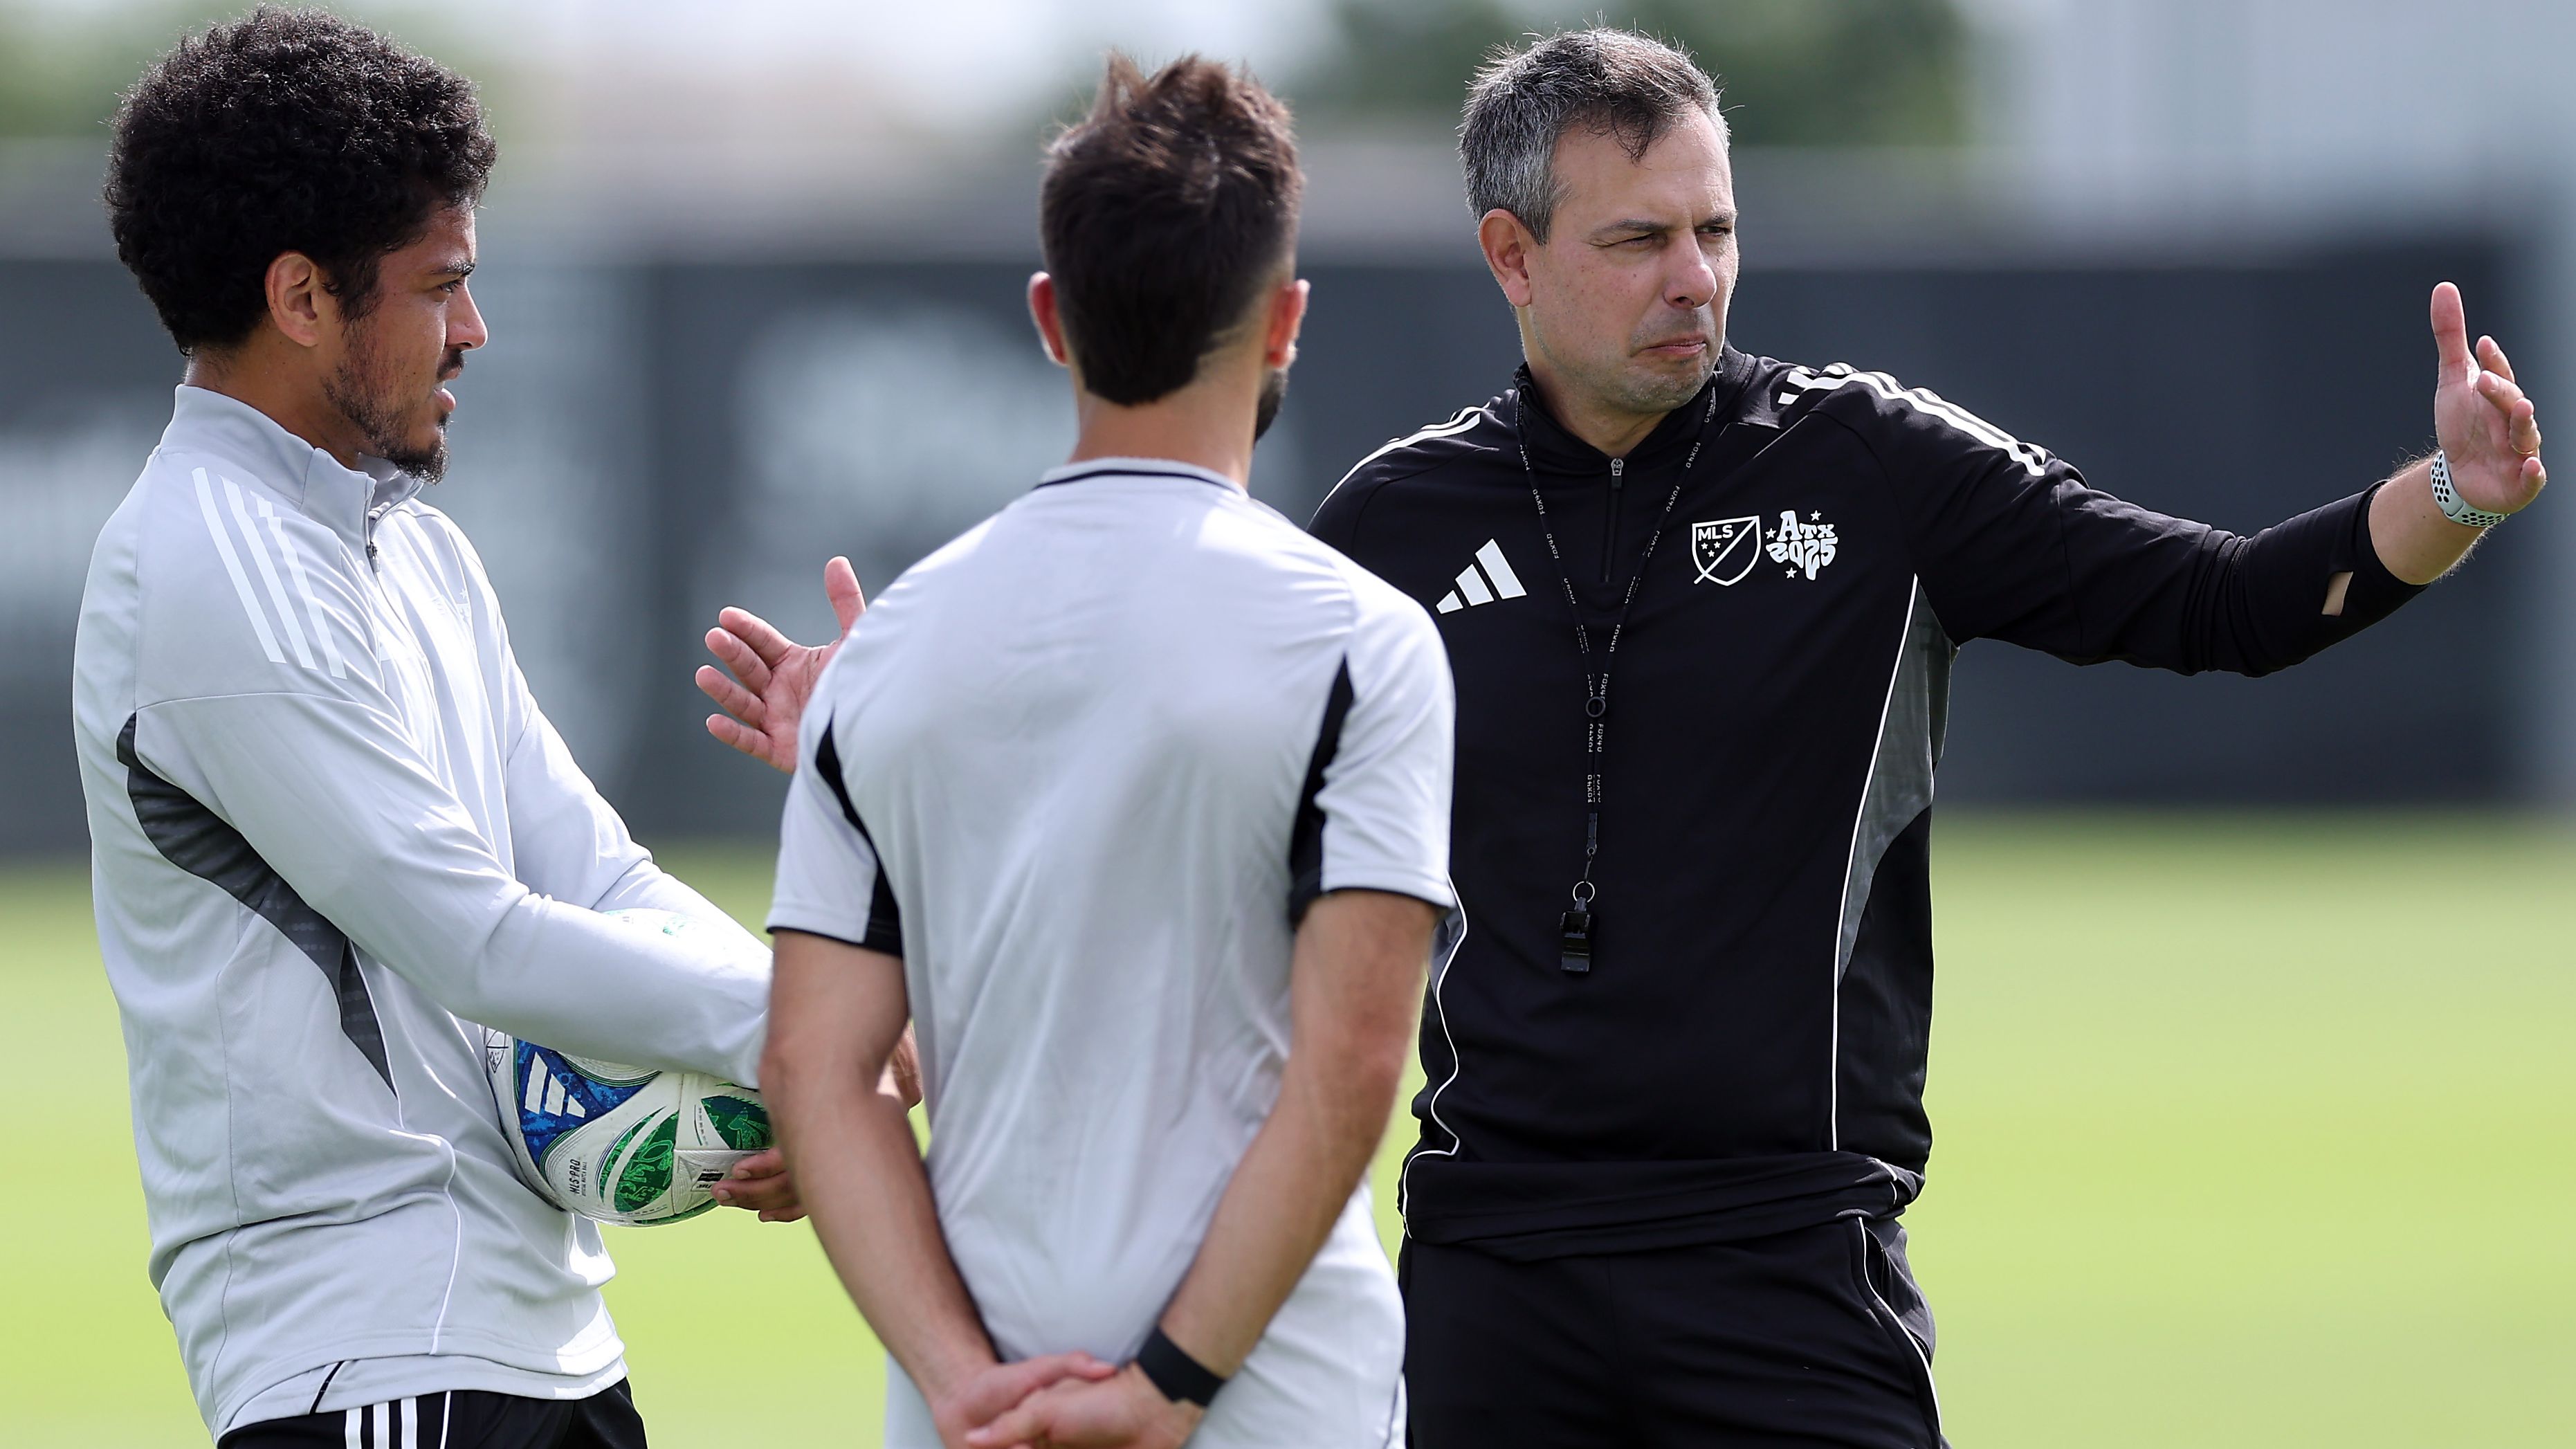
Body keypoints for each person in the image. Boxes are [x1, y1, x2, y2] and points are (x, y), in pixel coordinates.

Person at [1299, 28, 2546, 1449]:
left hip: (1789, 1263)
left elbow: (2224, 603)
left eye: (1714, 230)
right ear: (1510, 255)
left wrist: (2452, 491)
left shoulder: (1867, 464)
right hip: (1490, 1273)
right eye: (1637, 238)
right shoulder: (1389, 528)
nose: (1691, 278)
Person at [73, 12, 832, 1445]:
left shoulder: (411, 549)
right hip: (367, 1352)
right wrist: (811, 1038)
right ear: (301, 297)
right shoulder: (208, 566)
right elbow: (472, 936)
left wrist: (788, 1056)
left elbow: (596, 875)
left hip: (529, 1336)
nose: (474, 330)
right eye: (442, 288)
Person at [754, 55, 1458, 1449]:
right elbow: (1351, 1068)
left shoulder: (884, 656)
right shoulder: (1361, 644)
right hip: (1276, 1406)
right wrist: (1164, 1390)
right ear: (1285, 324)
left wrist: (961, 1386)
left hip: (977, 1418)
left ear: (1046, 318)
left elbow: (813, 1073)